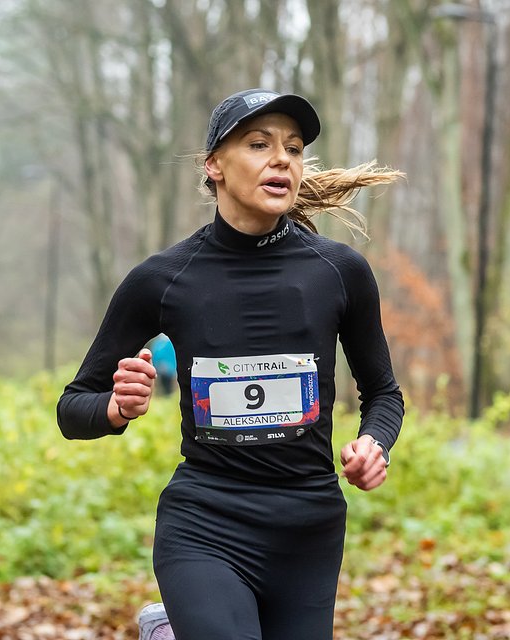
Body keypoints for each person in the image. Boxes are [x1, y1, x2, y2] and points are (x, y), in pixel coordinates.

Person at [57, 87, 404, 640]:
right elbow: (72, 407)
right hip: (206, 520)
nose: (281, 160)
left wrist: (374, 445)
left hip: (308, 527)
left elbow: (384, 393)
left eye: (293, 148)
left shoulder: (339, 272)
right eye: (259, 144)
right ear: (214, 164)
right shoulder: (164, 278)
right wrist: (118, 408)